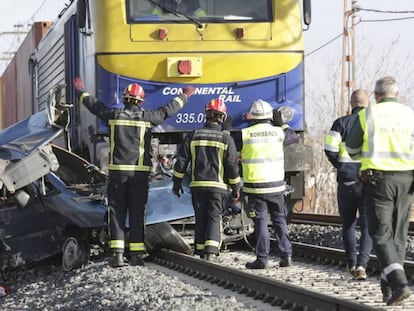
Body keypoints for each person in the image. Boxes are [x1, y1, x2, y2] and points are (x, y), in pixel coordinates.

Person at [73, 77, 195, 267]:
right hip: (139, 174)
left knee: (116, 212)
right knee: (137, 213)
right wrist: (185, 96)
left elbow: (94, 105)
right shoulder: (148, 118)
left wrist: (81, 91)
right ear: (141, 101)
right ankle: (137, 255)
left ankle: (118, 256)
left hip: (117, 173)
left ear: (125, 99)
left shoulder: (113, 115)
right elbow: (167, 110)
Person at [346, 76, 414, 306]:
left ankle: (399, 283)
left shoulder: (368, 115)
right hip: (407, 180)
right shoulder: (410, 114)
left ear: (376, 96)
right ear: (397, 94)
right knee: (398, 234)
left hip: (378, 181)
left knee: (381, 234)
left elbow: (352, 149)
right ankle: (388, 286)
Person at [172, 99, 241, 261]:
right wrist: (236, 186)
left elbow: (181, 161)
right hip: (218, 186)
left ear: (206, 116)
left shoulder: (193, 135)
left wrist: (177, 182)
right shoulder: (226, 139)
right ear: (222, 118)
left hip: (197, 185)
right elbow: (231, 165)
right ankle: (210, 251)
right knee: (214, 216)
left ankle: (201, 248)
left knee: (200, 216)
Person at [233, 99, 298, 269]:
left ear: (252, 116)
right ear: (271, 116)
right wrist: (282, 124)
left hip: (255, 187)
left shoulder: (245, 133)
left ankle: (262, 259)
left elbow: (230, 146)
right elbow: (293, 136)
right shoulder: (278, 133)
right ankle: (286, 256)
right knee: (279, 220)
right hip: (276, 187)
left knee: (260, 222)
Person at [324, 89, 372, 280]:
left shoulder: (340, 123)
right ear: (368, 104)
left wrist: (341, 165)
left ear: (351, 104)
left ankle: (351, 263)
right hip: (369, 181)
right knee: (368, 227)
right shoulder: (373, 124)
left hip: (347, 180)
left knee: (348, 224)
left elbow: (329, 149)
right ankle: (362, 265)